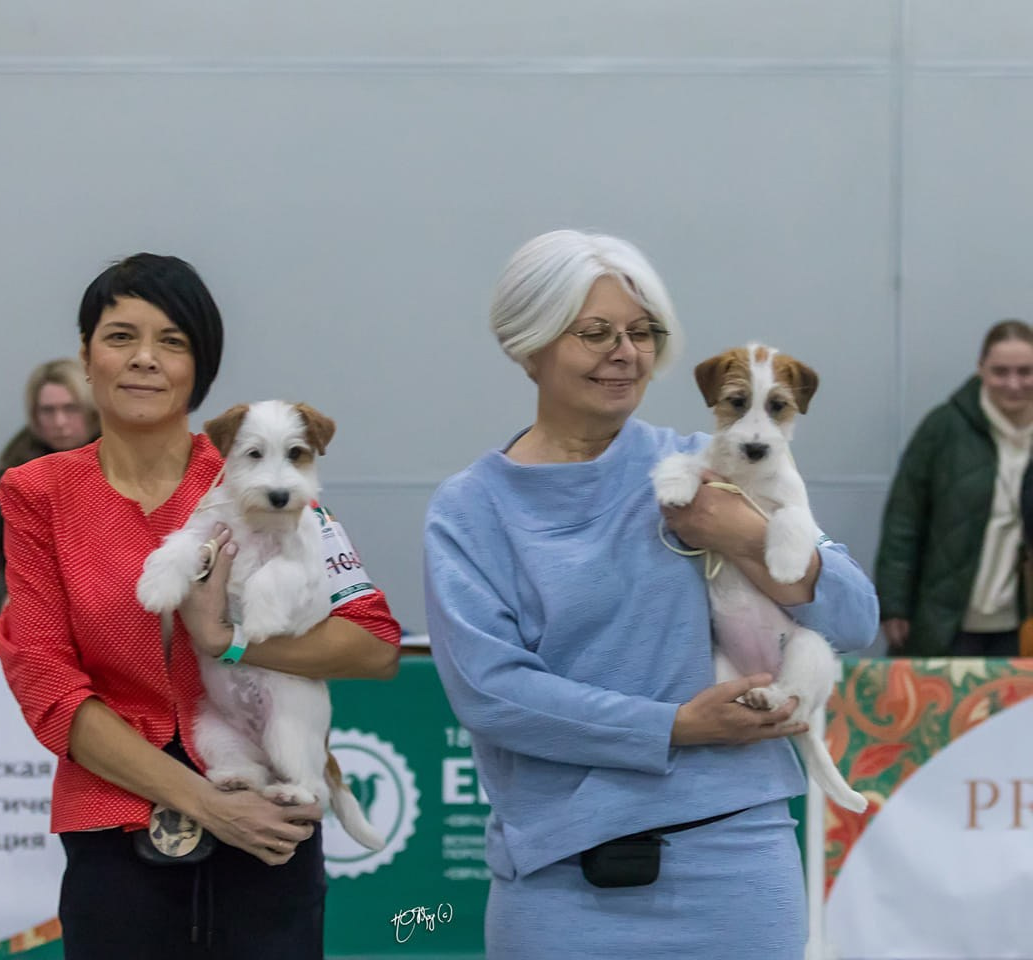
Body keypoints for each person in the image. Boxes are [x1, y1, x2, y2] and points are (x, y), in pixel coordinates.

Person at [423, 229, 878, 959]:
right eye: (595, 332)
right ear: (528, 343)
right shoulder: (470, 509)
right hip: (561, 875)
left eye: (642, 332)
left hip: (737, 858)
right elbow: (492, 692)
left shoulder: (707, 466)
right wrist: (675, 725)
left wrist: (742, 535)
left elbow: (855, 616)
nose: (625, 352)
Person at [0, 253, 401, 958]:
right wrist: (206, 802)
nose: (145, 358)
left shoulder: (269, 477)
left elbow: (374, 644)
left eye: (173, 341)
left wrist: (231, 641)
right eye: (120, 336)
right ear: (86, 358)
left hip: (271, 815)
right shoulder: (38, 494)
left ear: (200, 369)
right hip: (116, 826)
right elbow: (48, 688)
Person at [877, 319, 1033, 657]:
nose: (1014, 383)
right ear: (981, 369)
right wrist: (893, 605)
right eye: (1000, 371)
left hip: (1021, 627)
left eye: (1025, 371)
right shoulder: (944, 428)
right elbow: (904, 519)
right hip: (946, 621)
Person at [0, 358, 99, 621]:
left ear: (91, 409)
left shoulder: (121, 458)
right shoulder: (17, 462)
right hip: (35, 615)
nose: (60, 421)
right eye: (48, 411)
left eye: (70, 408)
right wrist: (2, 601)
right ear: (35, 415)